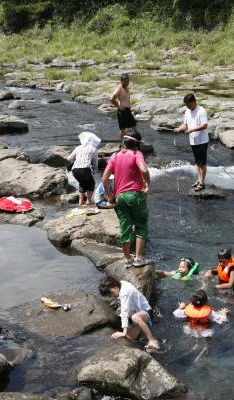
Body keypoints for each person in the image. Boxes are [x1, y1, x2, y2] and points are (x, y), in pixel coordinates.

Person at [102, 131, 151, 267]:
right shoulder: (136, 154)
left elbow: (105, 178)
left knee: (125, 227)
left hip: (120, 197)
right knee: (141, 226)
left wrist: (111, 196)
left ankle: (127, 259)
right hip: (135, 195)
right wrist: (148, 183)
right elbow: (144, 170)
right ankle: (139, 259)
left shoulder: (115, 156)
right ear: (137, 144)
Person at [99, 276, 160, 350]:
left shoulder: (125, 292)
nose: (111, 296)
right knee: (129, 340)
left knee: (135, 318)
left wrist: (124, 332)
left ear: (115, 287)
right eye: (109, 295)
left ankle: (152, 340)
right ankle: (149, 346)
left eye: (110, 293)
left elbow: (124, 313)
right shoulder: (121, 283)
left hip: (145, 312)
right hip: (135, 313)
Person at [173, 93, 209, 192]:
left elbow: (204, 125)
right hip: (193, 141)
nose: (187, 107)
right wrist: (179, 129)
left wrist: (191, 130)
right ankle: (199, 180)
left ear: (193, 102)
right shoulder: (188, 111)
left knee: (202, 163)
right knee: (198, 163)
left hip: (202, 141)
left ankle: (202, 183)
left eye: (188, 104)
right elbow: (185, 124)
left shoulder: (201, 111)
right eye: (186, 105)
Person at [67, 132, 100, 208]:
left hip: (75, 170)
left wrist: (77, 159)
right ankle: (88, 201)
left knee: (82, 184)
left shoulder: (78, 147)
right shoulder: (93, 149)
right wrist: (94, 171)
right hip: (85, 169)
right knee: (91, 183)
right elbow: (95, 163)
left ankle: (81, 202)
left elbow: (69, 158)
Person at [110, 73, 137, 138]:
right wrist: (119, 106)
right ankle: (122, 143)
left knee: (134, 126)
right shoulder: (119, 89)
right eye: (125, 81)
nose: (127, 83)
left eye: (128, 81)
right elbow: (111, 98)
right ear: (121, 81)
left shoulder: (127, 88)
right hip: (122, 112)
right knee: (123, 130)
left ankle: (135, 141)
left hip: (128, 110)